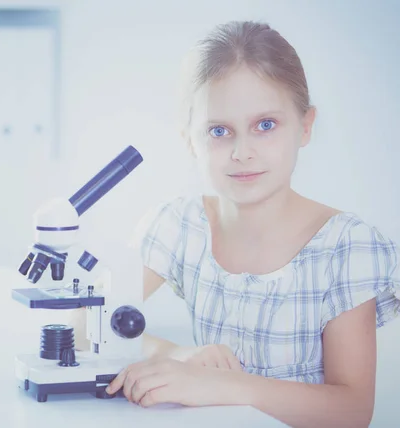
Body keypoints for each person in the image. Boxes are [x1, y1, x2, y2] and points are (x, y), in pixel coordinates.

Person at [94, 20, 400, 427]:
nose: (242, 152)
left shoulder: (347, 247)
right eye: (219, 131)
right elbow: (87, 321)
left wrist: (217, 386)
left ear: (305, 126)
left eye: (265, 125)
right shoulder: (179, 226)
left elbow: (352, 411)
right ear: (190, 141)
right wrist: (179, 356)